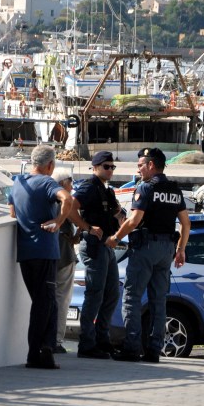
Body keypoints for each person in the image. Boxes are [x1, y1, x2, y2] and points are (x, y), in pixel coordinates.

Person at [106, 148, 189, 363]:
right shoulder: (175, 190)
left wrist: (115, 237)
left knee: (132, 297)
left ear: (152, 165)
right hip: (167, 250)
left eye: (141, 165)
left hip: (146, 248)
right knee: (159, 301)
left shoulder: (145, 188)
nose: (139, 169)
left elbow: (134, 220)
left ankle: (132, 348)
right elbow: (186, 223)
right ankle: (154, 350)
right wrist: (181, 250)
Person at [8, 145, 74, 370]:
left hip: (25, 252)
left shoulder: (18, 183)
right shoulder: (47, 182)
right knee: (44, 303)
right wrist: (59, 222)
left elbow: (12, 210)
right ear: (50, 165)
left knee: (43, 302)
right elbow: (68, 199)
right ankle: (37, 353)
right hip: (44, 250)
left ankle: (45, 349)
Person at [70, 150, 122, 359]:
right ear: (95, 168)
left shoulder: (106, 190)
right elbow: (71, 207)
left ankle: (102, 339)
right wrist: (86, 227)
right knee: (95, 295)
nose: (110, 170)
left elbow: (118, 213)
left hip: (107, 247)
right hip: (94, 246)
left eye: (112, 167)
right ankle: (87, 344)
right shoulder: (88, 187)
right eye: (106, 166)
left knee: (111, 294)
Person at [52, 167, 78, 354]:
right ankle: (57, 340)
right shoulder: (63, 201)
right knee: (62, 298)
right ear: (62, 184)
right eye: (70, 181)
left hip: (52, 253)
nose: (72, 185)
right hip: (63, 254)